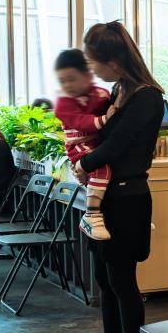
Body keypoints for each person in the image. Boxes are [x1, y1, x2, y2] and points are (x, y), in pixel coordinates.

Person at [66, 22, 165, 333]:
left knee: (123, 282)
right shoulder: (118, 90)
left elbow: (118, 145)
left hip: (128, 199)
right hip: (105, 198)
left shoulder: (147, 97)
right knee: (104, 280)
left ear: (114, 60)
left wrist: (84, 163)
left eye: (94, 63)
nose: (92, 70)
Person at [53, 49, 115, 241]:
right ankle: (91, 215)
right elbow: (81, 122)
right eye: (62, 81)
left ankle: (125, 216)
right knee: (101, 169)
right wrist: (104, 119)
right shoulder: (63, 103)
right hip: (78, 146)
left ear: (88, 75)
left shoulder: (101, 94)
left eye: (71, 79)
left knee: (112, 174)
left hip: (95, 143)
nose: (67, 85)